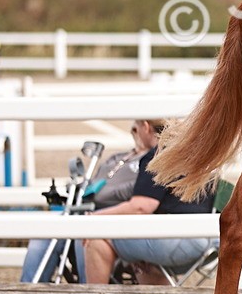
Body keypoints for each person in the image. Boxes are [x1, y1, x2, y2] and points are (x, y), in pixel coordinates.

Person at [82, 119, 217, 285]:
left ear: (145, 127)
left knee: (97, 236)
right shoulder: (196, 152)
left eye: (135, 128)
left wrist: (93, 218)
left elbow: (141, 207)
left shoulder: (158, 155)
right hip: (206, 243)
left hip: (174, 244)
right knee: (137, 240)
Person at [20, 123, 150, 283]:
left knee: (83, 234)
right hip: (87, 208)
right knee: (45, 233)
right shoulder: (117, 158)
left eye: (137, 128)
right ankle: (29, 287)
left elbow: (138, 197)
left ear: (147, 129)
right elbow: (95, 181)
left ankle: (86, 289)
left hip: (114, 213)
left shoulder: (149, 162)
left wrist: (99, 196)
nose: (134, 132)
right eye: (133, 129)